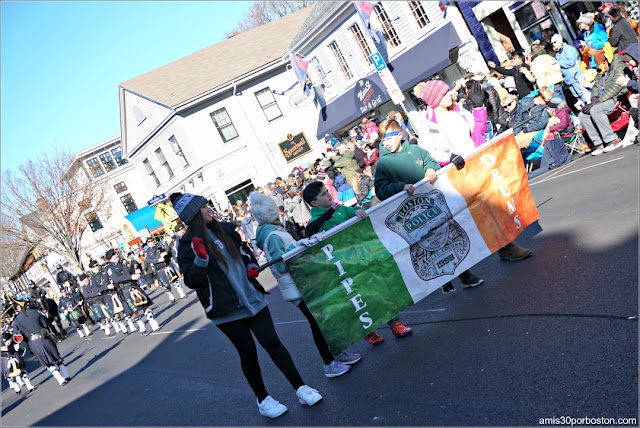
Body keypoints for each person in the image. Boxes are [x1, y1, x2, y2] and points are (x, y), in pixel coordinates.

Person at [172, 192, 322, 418]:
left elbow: (245, 253)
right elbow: (192, 281)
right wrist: (200, 260)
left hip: (251, 298)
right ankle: (263, 399)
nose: (209, 209)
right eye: (204, 207)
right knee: (248, 353)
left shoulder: (225, 228)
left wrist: (251, 265)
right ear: (193, 215)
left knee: (273, 342)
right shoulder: (186, 245)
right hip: (225, 309)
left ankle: (301, 387)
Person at [251, 192, 362, 378]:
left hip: (303, 283)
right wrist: (300, 247)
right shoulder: (273, 236)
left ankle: (337, 353)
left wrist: (300, 246)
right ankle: (328, 363)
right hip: (297, 287)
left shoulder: (275, 232)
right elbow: (280, 266)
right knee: (317, 323)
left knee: (324, 319)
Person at [302, 181, 413, 344]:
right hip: (341, 267)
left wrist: (357, 210)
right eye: (324, 194)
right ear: (314, 203)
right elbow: (310, 231)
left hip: (359, 258)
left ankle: (394, 323)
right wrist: (329, 212)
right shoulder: (317, 220)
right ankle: (367, 331)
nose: (328, 195)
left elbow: (352, 210)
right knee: (357, 299)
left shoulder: (340, 210)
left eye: (327, 191)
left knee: (378, 289)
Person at [579, 51, 632, 155]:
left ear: (605, 62)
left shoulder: (618, 66)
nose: (598, 68)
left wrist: (598, 102)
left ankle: (612, 140)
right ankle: (598, 143)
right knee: (583, 115)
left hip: (616, 99)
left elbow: (615, 88)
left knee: (595, 110)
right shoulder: (601, 72)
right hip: (601, 101)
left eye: (599, 65)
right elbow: (595, 86)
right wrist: (594, 97)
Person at [12, 302, 71, 387]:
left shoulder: (17, 320)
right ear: (25, 305)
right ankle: (66, 375)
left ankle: (60, 380)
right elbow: (45, 324)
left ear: (18, 308)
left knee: (48, 363)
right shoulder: (35, 312)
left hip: (33, 343)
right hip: (44, 338)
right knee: (56, 358)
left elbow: (16, 335)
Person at [106, 249, 160, 335]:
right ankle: (140, 324)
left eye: (116, 254)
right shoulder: (110, 268)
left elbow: (131, 271)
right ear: (110, 258)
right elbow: (116, 279)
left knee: (144, 304)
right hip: (125, 290)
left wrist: (136, 271)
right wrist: (131, 277)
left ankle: (153, 322)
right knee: (134, 310)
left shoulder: (123, 263)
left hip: (134, 286)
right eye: (114, 255)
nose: (116, 255)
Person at [551, 34, 589, 108]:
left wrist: (558, 63)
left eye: (555, 42)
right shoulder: (557, 53)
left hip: (575, 76)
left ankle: (588, 105)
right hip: (568, 79)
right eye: (552, 43)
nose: (553, 45)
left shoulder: (568, 49)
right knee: (575, 95)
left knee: (581, 93)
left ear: (560, 41)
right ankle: (584, 107)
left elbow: (570, 62)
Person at [144, 237, 177, 304]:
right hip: (159, 269)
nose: (151, 242)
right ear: (147, 243)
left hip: (166, 266)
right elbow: (147, 260)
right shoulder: (147, 252)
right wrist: (157, 260)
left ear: (154, 241)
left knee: (175, 279)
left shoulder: (159, 246)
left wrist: (164, 253)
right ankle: (170, 294)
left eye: (151, 241)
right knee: (166, 285)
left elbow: (167, 249)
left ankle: (181, 293)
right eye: (149, 242)